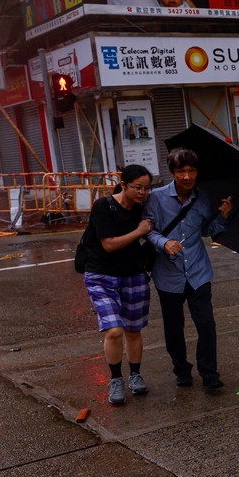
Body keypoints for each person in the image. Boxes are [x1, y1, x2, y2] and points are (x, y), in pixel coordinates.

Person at [144, 148, 232, 390]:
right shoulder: (156, 198)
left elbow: (205, 231)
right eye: (181, 171)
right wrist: (164, 242)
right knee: (174, 328)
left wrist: (222, 217)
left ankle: (210, 374)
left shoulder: (204, 197)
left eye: (191, 171)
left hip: (197, 271)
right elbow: (147, 230)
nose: (186, 176)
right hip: (168, 274)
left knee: (206, 324)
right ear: (172, 172)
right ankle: (181, 369)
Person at [82, 164, 154, 405]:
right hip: (101, 275)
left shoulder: (145, 207)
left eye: (146, 188)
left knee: (133, 330)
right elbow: (109, 244)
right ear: (123, 184)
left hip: (133, 274)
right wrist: (139, 231)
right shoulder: (103, 206)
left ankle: (135, 375)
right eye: (137, 187)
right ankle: (115, 379)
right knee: (114, 330)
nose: (143, 192)